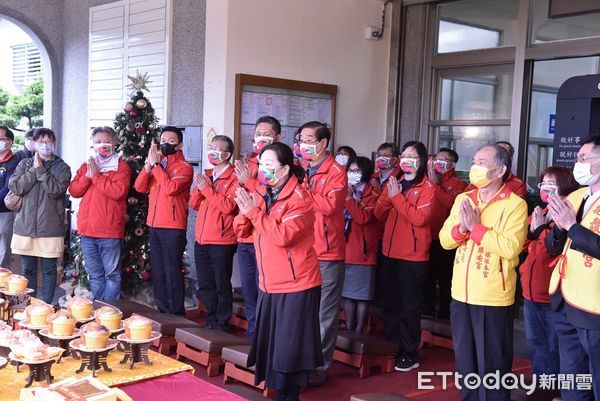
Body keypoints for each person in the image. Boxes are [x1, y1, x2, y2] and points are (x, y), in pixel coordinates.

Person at [233, 142, 322, 401]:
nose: (263, 170)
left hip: (297, 284)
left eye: (269, 165)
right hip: (269, 282)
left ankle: (289, 396)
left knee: (288, 350)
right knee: (273, 348)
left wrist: (253, 213)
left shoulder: (301, 199)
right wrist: (245, 214)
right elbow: (242, 232)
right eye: (261, 165)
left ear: (285, 169)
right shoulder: (263, 193)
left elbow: (282, 236)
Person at [439, 144, 528, 401]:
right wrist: (463, 230)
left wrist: (476, 229)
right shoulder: (463, 199)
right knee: (466, 364)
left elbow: (510, 248)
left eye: (483, 162)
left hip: (492, 297)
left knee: (493, 365)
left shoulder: (515, 205)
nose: (476, 167)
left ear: (500, 169)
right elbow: (445, 239)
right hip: (461, 294)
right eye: (475, 161)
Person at [545, 134, 600, 401]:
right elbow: (554, 245)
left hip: (594, 306)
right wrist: (556, 227)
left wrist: (572, 227)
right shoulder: (578, 195)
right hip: (565, 299)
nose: (577, 163)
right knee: (573, 375)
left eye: (583, 158)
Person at [374, 141, 435, 372]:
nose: (407, 159)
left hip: (412, 257)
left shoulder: (428, 187)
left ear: (421, 161)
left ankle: (409, 353)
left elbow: (420, 219)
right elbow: (379, 214)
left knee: (409, 307)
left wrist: (397, 198)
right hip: (389, 253)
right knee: (391, 305)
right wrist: (387, 197)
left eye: (413, 156)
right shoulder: (395, 182)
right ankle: (392, 347)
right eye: (405, 155)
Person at [299, 121, 347, 386]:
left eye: (309, 139)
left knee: (324, 315)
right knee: (304, 311)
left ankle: (320, 366)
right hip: (303, 248)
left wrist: (303, 190)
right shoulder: (302, 168)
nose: (304, 144)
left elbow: (329, 206)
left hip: (327, 252)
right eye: (301, 139)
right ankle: (301, 361)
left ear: (323, 143)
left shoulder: (336, 171)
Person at [520, 167, 577, 381]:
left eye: (551, 183)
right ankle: (541, 386)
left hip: (552, 296)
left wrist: (540, 231)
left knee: (553, 349)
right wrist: (535, 231)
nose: (545, 187)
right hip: (530, 293)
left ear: (565, 185)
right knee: (536, 346)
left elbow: (554, 247)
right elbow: (524, 242)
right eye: (543, 183)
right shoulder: (540, 212)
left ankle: (551, 391)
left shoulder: (570, 215)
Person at [134, 126, 193, 315]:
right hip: (154, 225)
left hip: (173, 227)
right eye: (164, 140)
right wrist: (148, 166)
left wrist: (157, 166)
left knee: (172, 271)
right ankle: (162, 311)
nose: (166, 144)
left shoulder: (185, 167)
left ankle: (176, 313)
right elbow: (140, 187)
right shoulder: (160, 164)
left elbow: (170, 188)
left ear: (180, 145)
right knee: (158, 270)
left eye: (171, 141)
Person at [9, 128, 71, 304]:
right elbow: (16, 187)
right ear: (34, 144)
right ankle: (27, 305)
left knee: (49, 270)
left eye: (48, 141)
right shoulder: (24, 164)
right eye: (41, 141)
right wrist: (34, 170)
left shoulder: (62, 167)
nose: (45, 145)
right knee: (27, 269)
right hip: (25, 226)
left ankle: (46, 306)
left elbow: (56, 190)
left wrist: (41, 170)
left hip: (50, 227)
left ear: (54, 143)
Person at [69, 127, 131, 301]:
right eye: (98, 142)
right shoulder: (87, 165)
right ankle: (98, 311)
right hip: (88, 230)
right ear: (93, 144)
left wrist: (96, 176)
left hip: (109, 231)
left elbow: (118, 192)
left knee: (112, 276)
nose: (102, 145)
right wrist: (88, 176)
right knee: (95, 275)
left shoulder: (121, 167)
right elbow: (74, 190)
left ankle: (109, 314)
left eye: (106, 141)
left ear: (114, 143)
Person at [233, 116, 281, 338]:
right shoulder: (247, 165)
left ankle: (265, 334)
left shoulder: (282, 167)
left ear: (277, 137)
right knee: (249, 292)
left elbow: (270, 198)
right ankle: (253, 333)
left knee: (265, 290)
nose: (261, 138)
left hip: (266, 239)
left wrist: (251, 183)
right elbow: (237, 199)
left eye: (266, 134)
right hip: (245, 237)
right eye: (258, 134)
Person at [190, 135, 238, 331]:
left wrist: (207, 190)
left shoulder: (234, 177)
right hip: (201, 239)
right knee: (206, 284)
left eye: (217, 148)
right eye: (211, 147)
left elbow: (228, 207)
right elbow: (194, 204)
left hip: (222, 240)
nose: (212, 151)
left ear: (227, 154)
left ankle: (222, 321)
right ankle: (210, 318)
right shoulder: (208, 174)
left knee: (221, 284)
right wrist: (202, 189)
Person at [423, 147, 467, 319]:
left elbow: (451, 204)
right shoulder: (427, 180)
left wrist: (435, 185)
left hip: (447, 238)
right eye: (437, 158)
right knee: (427, 276)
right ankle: (427, 310)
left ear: (452, 164)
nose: (438, 162)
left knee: (445, 277)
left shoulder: (459, 184)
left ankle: (445, 313)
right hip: (427, 235)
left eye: (443, 159)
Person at [342, 156, 379, 333]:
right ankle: (349, 330)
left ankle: (359, 331)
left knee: (362, 296)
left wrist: (349, 199)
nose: (353, 174)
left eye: (357, 171)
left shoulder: (373, 194)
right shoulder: (344, 190)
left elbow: (364, 218)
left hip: (364, 252)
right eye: (350, 170)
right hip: (345, 248)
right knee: (347, 294)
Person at [0, 126, 19, 268]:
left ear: (10, 142)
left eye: (1, 139)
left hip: (5, 212)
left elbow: (8, 188)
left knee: (4, 250)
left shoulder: (15, 162)